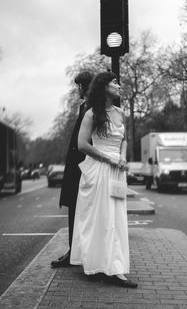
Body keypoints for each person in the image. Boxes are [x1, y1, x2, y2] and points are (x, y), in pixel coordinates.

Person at [70, 72, 138, 288]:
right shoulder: (91, 114)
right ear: (103, 86)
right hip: (98, 170)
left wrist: (123, 157)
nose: (119, 85)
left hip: (117, 170)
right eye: (115, 82)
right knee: (98, 218)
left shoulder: (120, 112)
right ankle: (96, 265)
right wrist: (108, 158)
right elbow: (82, 144)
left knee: (116, 219)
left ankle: (116, 269)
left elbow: (124, 140)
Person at [51, 71, 94, 268]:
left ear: (85, 87)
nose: (77, 90)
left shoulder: (93, 108)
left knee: (80, 212)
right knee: (74, 211)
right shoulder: (84, 107)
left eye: (79, 86)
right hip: (75, 167)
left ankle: (76, 254)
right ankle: (73, 251)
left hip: (83, 168)